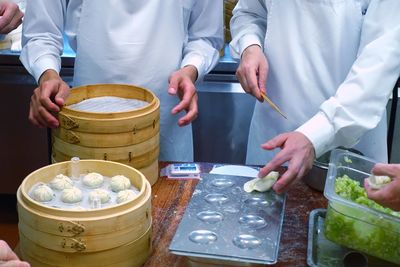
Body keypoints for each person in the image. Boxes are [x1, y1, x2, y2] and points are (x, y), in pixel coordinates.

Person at [230, 0, 400, 194]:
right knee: (263, 217)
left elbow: (378, 64)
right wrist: (250, 45)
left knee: (346, 219)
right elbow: (250, 13)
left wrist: (315, 135)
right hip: (273, 136)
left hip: (350, 141)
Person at [20, 1, 223, 162]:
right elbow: (41, 31)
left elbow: (206, 37)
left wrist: (190, 69)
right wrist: (48, 74)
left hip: (167, 114)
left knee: (168, 206)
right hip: (88, 121)